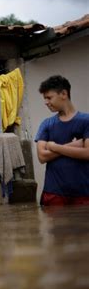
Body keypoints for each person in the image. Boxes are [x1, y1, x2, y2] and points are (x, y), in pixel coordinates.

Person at [34, 75, 89, 205]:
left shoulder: (86, 121)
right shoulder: (46, 124)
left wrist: (54, 147)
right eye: (44, 98)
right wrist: (75, 145)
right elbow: (42, 157)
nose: (46, 102)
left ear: (64, 94)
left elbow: (87, 154)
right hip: (54, 192)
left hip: (84, 192)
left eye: (49, 97)